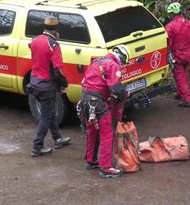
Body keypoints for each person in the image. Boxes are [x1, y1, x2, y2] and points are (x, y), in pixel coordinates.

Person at [80, 45, 131, 178]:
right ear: (121, 57)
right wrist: (125, 94)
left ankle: (90, 160)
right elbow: (116, 88)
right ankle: (106, 168)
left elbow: (85, 82)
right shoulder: (113, 65)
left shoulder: (96, 62)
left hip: (85, 100)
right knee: (107, 133)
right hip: (98, 102)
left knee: (92, 131)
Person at [29, 16, 71, 157]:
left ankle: (57, 138)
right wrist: (63, 84)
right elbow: (58, 69)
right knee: (46, 116)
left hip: (34, 83)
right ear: (56, 30)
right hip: (46, 86)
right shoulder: (53, 44)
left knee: (50, 112)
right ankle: (37, 146)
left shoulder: (34, 41)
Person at [165, 2, 190, 108]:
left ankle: (187, 99)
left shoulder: (170, 27)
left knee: (180, 77)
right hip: (188, 54)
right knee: (183, 75)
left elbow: (167, 43)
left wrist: (168, 54)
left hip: (178, 55)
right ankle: (180, 93)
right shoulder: (189, 24)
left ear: (171, 14)